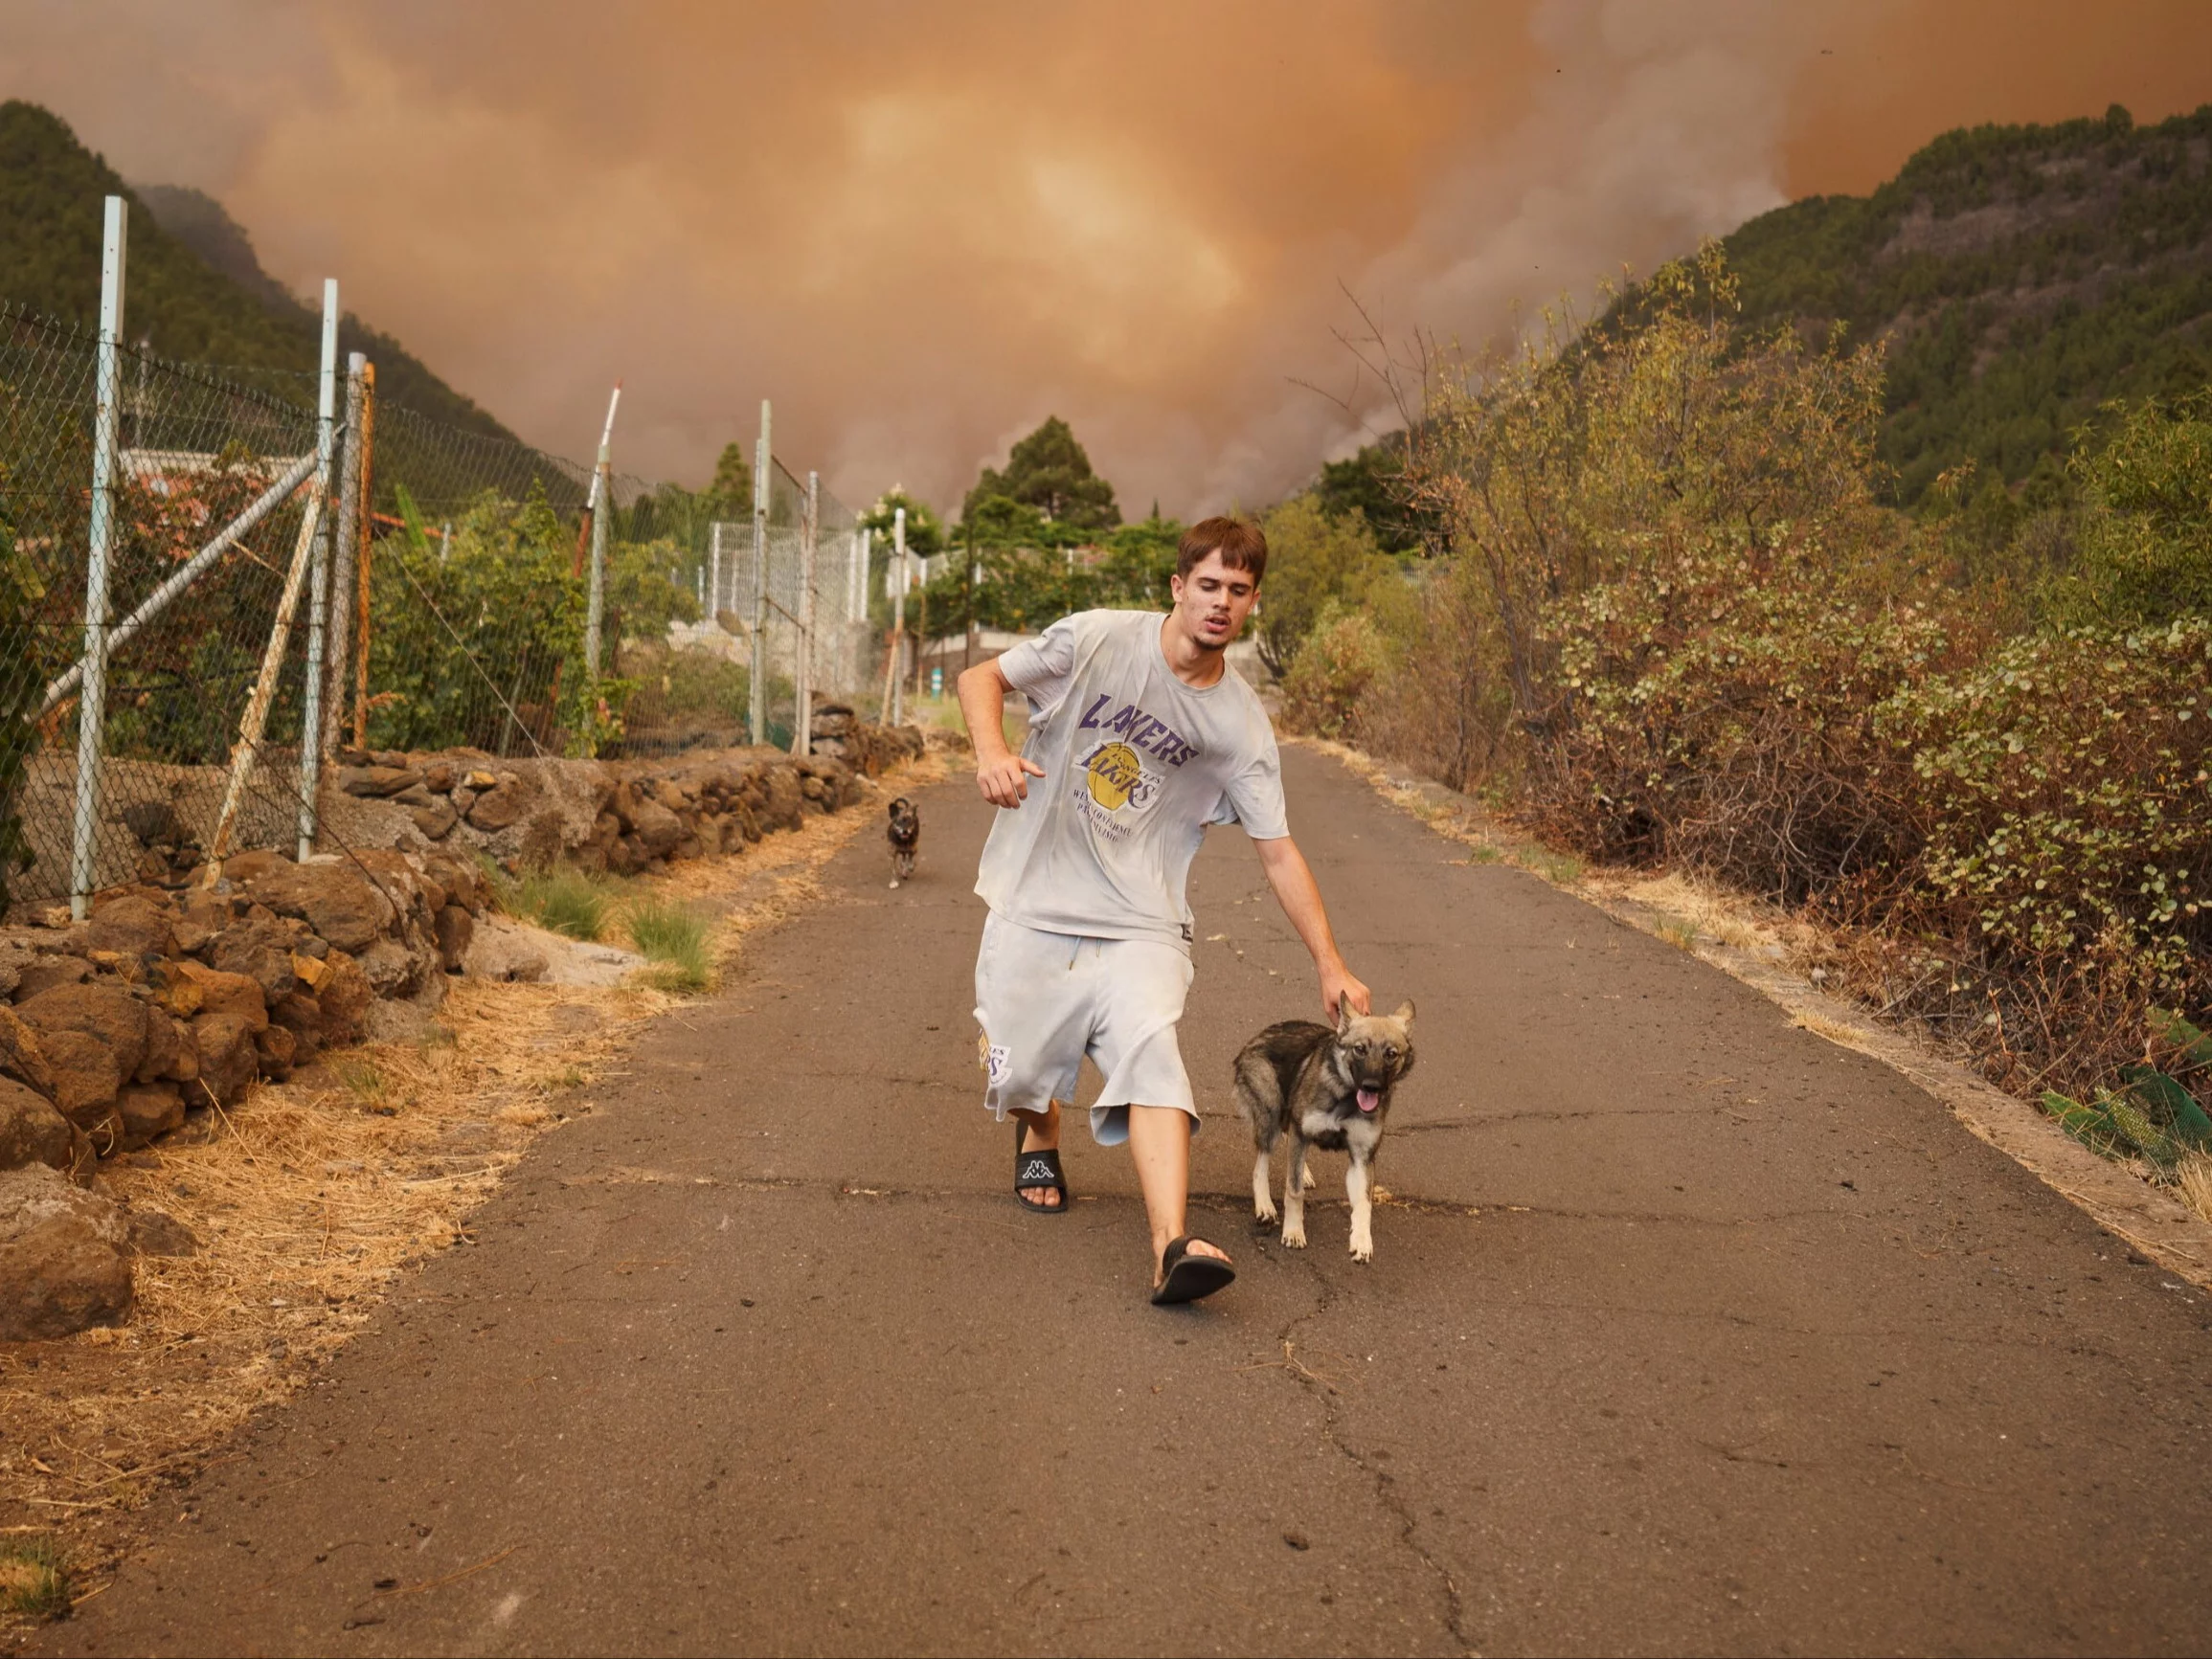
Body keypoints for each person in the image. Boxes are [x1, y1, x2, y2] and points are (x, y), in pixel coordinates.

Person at [956, 516, 1371, 1305]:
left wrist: (1330, 958)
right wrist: (991, 751)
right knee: (1015, 1066)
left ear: (1252, 604)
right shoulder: (1098, 640)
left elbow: (1278, 849)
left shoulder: (1241, 725)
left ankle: (1170, 1244)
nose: (1220, 603)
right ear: (1178, 588)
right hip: (1032, 895)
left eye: (1238, 591)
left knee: (1153, 1052)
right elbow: (984, 679)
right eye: (1207, 585)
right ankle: (1038, 1128)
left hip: (1141, 918)